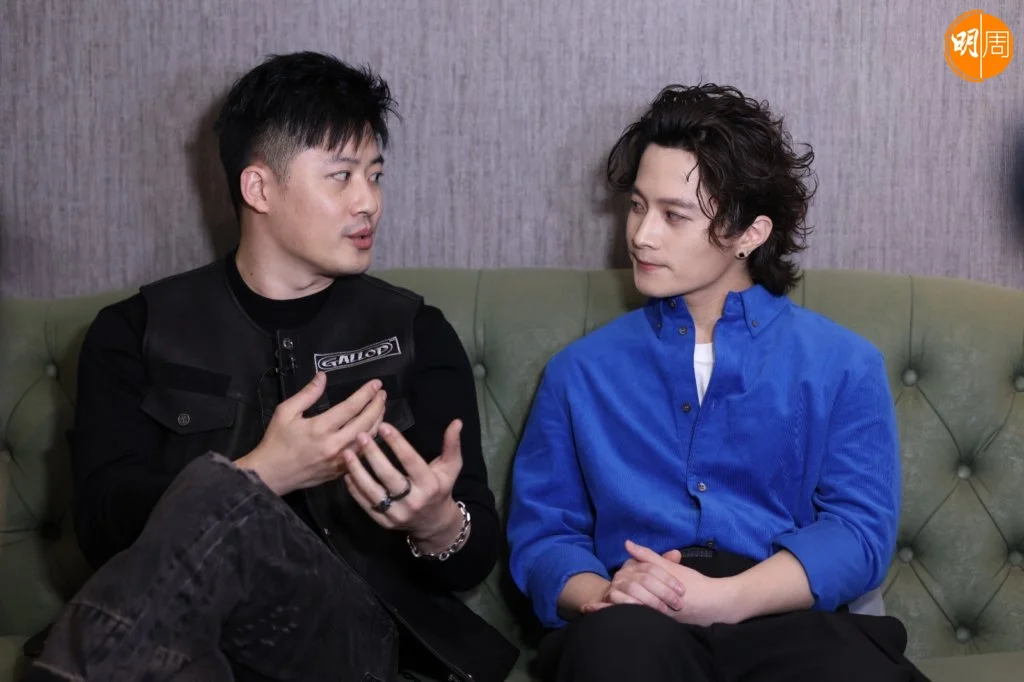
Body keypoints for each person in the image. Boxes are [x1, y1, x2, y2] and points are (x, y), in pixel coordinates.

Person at [23, 51, 517, 682]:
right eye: (341, 177)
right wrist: (262, 474)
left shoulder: (416, 332)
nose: (369, 201)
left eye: (375, 175)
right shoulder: (135, 332)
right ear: (258, 188)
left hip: (355, 641)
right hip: (195, 639)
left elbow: (471, 556)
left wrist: (437, 522)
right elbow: (101, 526)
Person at [506, 83, 930, 681]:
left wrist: (723, 600)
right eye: (637, 206)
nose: (642, 235)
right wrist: (602, 594)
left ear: (750, 233)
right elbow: (544, 537)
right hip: (633, 627)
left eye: (674, 215)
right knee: (617, 651)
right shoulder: (579, 372)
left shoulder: (844, 364)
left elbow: (858, 533)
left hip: (786, 621)